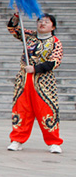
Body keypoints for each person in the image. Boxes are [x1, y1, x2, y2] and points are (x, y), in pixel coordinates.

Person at [7, 14, 63, 153]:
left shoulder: (55, 41)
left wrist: (36, 69)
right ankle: (17, 139)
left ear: (53, 26)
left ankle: (53, 142)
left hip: (44, 80)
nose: (42, 24)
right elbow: (13, 29)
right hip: (24, 78)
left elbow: (54, 61)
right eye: (40, 21)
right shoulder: (29, 36)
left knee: (47, 109)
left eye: (46, 22)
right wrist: (16, 15)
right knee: (21, 109)